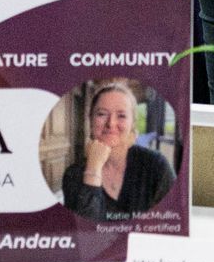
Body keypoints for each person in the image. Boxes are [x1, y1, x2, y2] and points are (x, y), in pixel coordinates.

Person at [60, 82, 175, 221]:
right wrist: (93, 170)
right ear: (90, 120)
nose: (111, 123)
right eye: (101, 114)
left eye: (121, 116)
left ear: (133, 123)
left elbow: (172, 223)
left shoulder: (157, 166)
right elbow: (84, 234)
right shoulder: (73, 175)